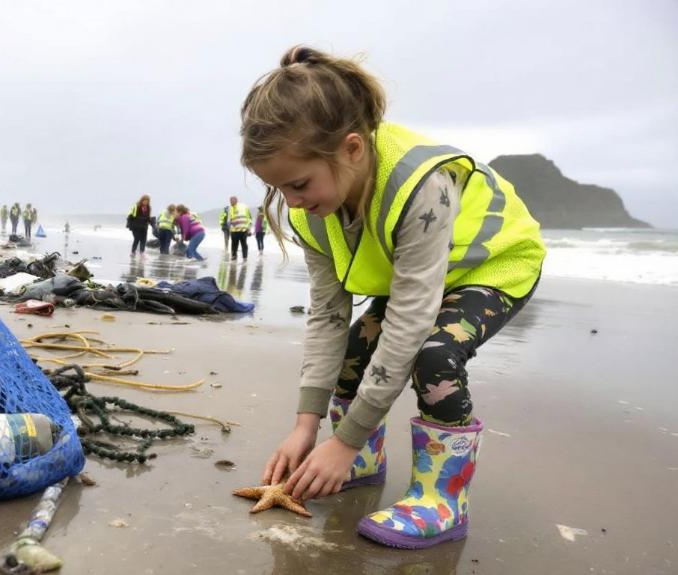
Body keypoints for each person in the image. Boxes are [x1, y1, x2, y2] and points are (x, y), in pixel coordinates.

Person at [241, 46, 545, 549]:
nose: (292, 201)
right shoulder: (310, 212)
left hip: (493, 265)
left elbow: (411, 319)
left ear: (353, 149)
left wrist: (343, 437)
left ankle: (442, 498)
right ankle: (361, 459)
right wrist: (306, 425)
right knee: (355, 349)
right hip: (421, 277)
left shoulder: (420, 184)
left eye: (298, 183)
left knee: (434, 356)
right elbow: (327, 315)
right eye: (278, 189)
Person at [226, 195, 252, 261]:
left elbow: (249, 218)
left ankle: (245, 257)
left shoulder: (244, 207)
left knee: (244, 244)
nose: (231, 202)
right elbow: (229, 220)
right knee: (234, 244)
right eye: (230, 201)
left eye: (232, 201)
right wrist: (229, 226)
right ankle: (234, 256)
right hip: (234, 230)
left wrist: (249, 229)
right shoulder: (230, 208)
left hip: (243, 230)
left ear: (236, 200)